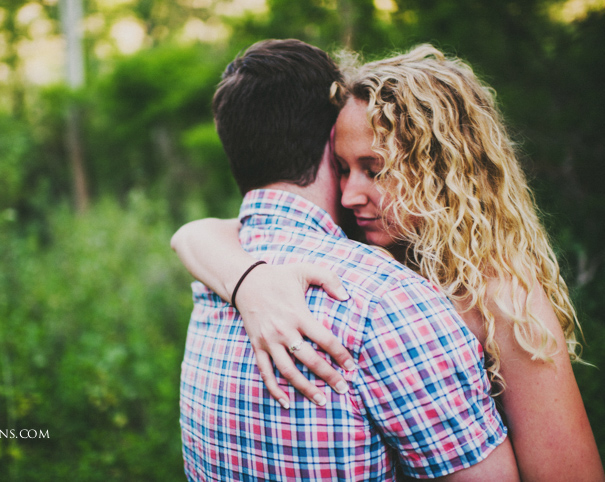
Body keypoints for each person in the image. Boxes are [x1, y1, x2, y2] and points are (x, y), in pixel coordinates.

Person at [172, 44, 605, 480]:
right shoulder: (366, 259)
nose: (348, 194)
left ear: (438, 168)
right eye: (341, 168)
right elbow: (197, 234)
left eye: (374, 170)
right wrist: (250, 283)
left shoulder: (501, 295)